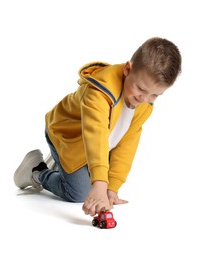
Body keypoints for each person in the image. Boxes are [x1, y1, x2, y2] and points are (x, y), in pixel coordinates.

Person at [14, 37, 182, 217]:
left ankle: (63, 164)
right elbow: (96, 136)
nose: (144, 99)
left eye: (155, 95)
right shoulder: (99, 93)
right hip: (67, 136)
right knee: (79, 193)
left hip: (100, 144)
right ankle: (37, 171)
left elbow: (127, 143)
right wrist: (99, 185)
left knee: (100, 180)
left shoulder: (144, 105)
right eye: (140, 88)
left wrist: (112, 187)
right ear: (127, 69)